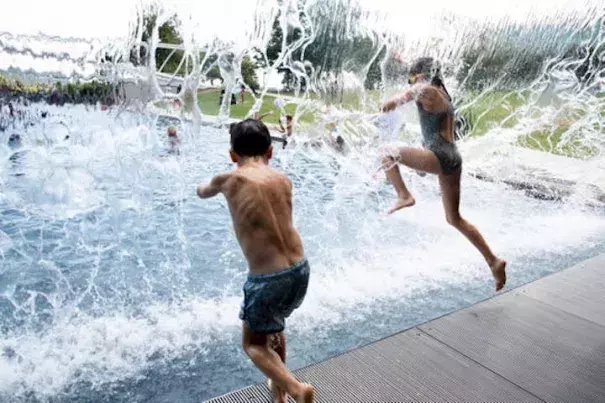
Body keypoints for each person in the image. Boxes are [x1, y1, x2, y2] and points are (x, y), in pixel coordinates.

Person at [196, 119, 315, 403]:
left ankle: (297, 390)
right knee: (274, 328)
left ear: (232, 155)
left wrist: (205, 185)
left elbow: (201, 191)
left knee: (253, 343)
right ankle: (280, 397)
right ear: (270, 152)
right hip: (299, 271)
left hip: (267, 279)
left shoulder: (229, 179)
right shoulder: (283, 180)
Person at [379, 57, 507, 291]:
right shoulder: (442, 93)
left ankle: (403, 195)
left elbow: (393, 102)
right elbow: (420, 79)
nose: (411, 83)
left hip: (438, 154)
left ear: (419, 76)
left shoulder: (424, 89)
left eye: (411, 78)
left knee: (387, 152)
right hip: (452, 157)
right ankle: (494, 261)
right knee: (454, 219)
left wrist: (392, 102)